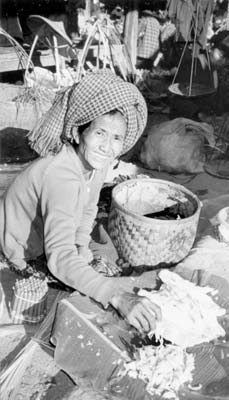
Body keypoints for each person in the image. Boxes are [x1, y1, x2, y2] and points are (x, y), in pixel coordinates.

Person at [0, 69, 161, 334]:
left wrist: (81, 245)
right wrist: (117, 297)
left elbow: (88, 210)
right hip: (23, 250)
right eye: (99, 133)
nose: (106, 146)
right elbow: (60, 258)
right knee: (105, 287)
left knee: (96, 261)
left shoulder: (96, 164)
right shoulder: (61, 176)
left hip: (49, 235)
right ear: (77, 133)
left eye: (116, 138)